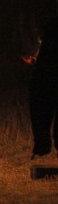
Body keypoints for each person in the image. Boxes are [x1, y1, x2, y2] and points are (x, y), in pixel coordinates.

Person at [29, 16, 58, 161]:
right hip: (47, 67)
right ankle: (42, 146)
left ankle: (42, 146)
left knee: (40, 103)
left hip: (47, 69)